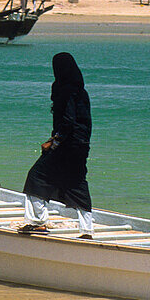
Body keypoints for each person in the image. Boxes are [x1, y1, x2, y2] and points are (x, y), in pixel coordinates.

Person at [19, 52, 94, 238]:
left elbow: (68, 122)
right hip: (80, 145)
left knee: (36, 177)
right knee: (77, 183)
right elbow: (84, 123)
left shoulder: (65, 90)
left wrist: (53, 143)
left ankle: (37, 222)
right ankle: (87, 229)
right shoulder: (81, 92)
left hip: (66, 145)